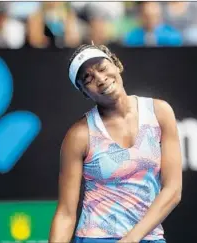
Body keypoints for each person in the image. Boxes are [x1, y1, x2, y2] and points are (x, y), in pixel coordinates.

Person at [49, 44, 182, 243]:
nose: (100, 79)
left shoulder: (160, 112)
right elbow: (66, 214)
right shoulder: (79, 135)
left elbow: (173, 189)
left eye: (102, 68)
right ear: (85, 92)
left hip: (148, 238)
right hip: (96, 238)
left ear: (116, 65)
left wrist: (131, 239)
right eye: (88, 79)